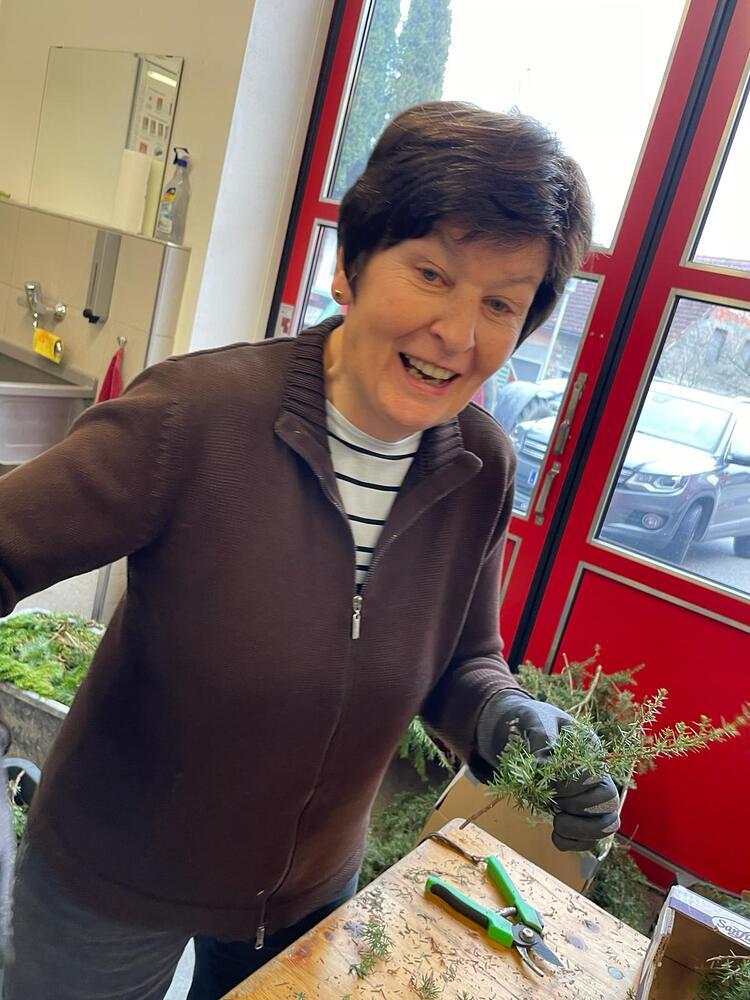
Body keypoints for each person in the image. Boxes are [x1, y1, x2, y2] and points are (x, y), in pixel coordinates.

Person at [0, 101, 620, 999]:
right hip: (111, 886)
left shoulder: (481, 469)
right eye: (432, 273)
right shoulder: (195, 418)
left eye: (500, 303)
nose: (457, 333)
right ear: (350, 266)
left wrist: (506, 718)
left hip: (309, 895)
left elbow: (462, 659)